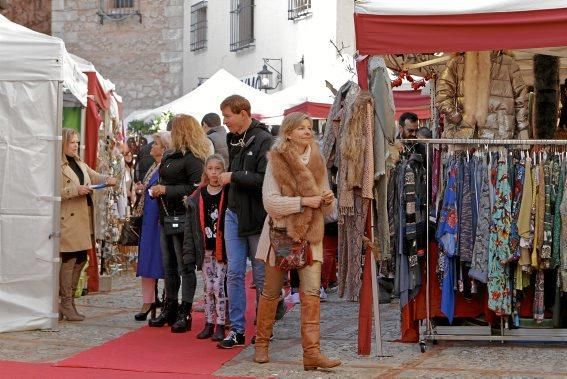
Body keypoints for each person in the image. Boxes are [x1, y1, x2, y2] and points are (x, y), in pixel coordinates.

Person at [253, 112, 341, 370]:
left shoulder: (317, 158)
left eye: (308, 127)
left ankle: (312, 353)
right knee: (271, 293)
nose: (307, 131)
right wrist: (303, 202)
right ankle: (261, 344)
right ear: (288, 132)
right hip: (280, 233)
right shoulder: (276, 160)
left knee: (312, 294)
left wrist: (327, 199)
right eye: (301, 128)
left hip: (311, 233)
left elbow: (327, 208)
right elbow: (270, 203)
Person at [217, 95, 273, 349]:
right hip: (233, 213)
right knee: (234, 273)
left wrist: (233, 177)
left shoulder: (263, 139)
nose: (225, 121)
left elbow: (263, 179)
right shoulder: (233, 139)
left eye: (228, 116)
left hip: (256, 216)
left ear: (243, 113)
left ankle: (264, 329)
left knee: (261, 276)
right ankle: (237, 329)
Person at [148, 114, 211, 333]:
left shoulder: (193, 158)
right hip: (166, 216)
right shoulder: (170, 155)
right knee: (169, 265)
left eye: (174, 129)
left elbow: (195, 188)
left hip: (184, 217)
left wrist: (166, 190)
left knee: (185, 265)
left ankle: (185, 311)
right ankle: (170, 306)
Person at [60, 128, 117, 321]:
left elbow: (93, 176)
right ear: (63, 144)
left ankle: (69, 303)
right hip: (69, 218)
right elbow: (55, 190)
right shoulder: (58, 165)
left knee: (81, 258)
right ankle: (65, 303)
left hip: (83, 217)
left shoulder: (79, 162)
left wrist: (107, 180)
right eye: (72, 142)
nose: (76, 145)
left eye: (77, 142)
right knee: (70, 259)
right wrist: (75, 189)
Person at [183, 154, 229, 341]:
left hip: (221, 248)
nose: (214, 173)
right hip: (205, 249)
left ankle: (221, 323)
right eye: (210, 169)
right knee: (208, 287)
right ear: (205, 171)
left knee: (219, 286)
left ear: (223, 171)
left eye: (218, 169)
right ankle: (208, 323)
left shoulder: (227, 193)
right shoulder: (198, 196)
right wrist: (189, 253)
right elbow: (190, 226)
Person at [133, 132, 171, 321]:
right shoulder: (153, 167)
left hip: (159, 221)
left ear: (164, 148)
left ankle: (166, 299)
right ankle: (148, 300)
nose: (151, 147)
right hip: (149, 221)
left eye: (155, 144)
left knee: (162, 261)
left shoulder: (167, 168)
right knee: (147, 260)